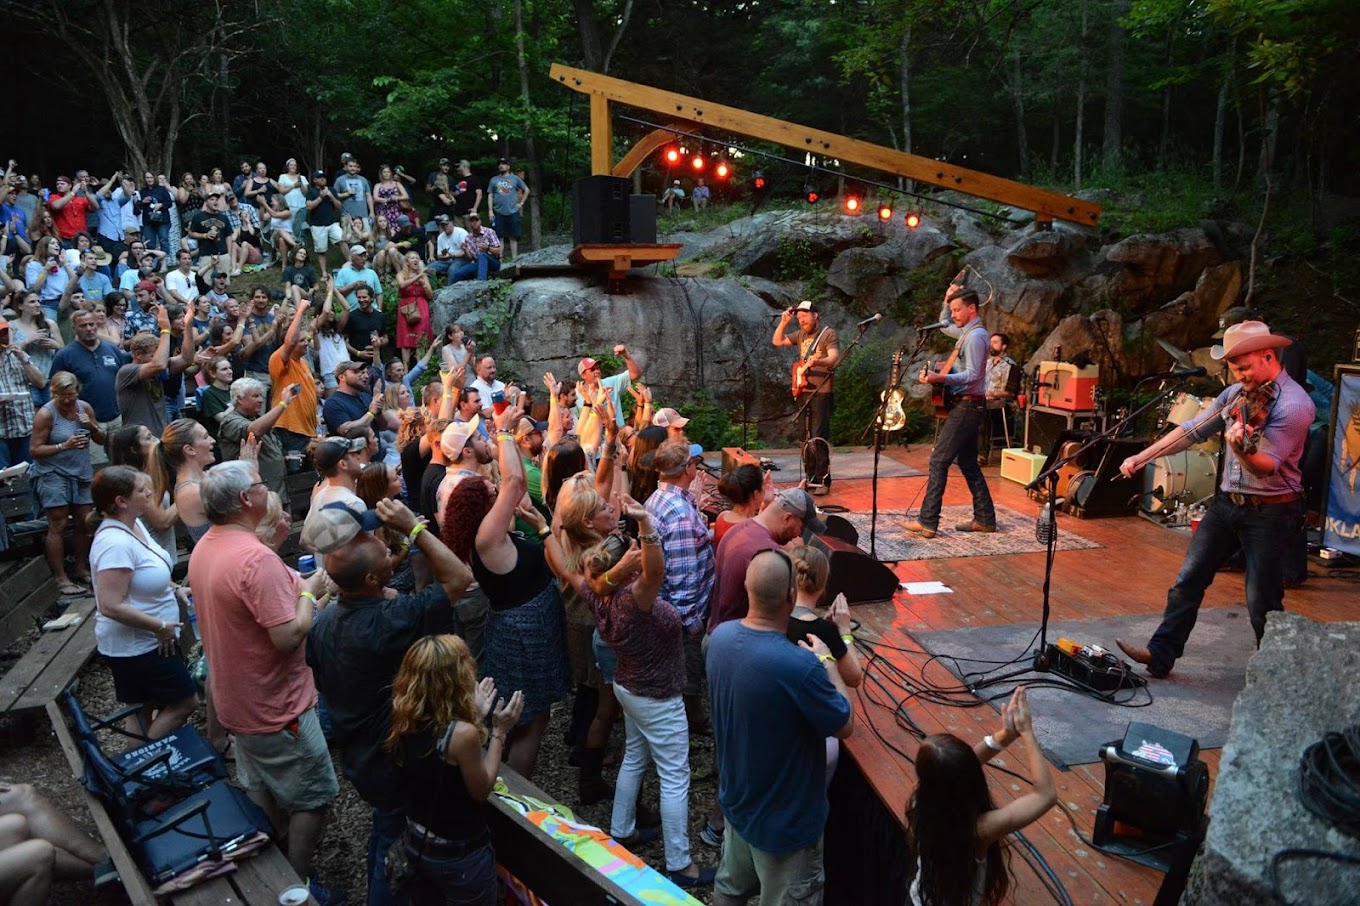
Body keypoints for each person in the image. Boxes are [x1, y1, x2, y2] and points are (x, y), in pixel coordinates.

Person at [1115, 321, 1314, 678]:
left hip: (1272, 510)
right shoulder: (1234, 394)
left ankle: (1277, 675)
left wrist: (1239, 448)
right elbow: (1191, 430)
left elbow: (1265, 467)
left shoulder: (1296, 405)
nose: (1239, 377)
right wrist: (1141, 457)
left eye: (1245, 368)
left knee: (1262, 601)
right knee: (1188, 580)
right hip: (1226, 505)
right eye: (1234, 369)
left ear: (1268, 356)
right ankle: (1160, 654)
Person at [306, 499, 473, 905]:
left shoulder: (324, 620)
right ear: (370, 579)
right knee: (393, 840)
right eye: (382, 550)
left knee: (387, 828)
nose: (386, 547)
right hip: (394, 760)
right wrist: (415, 531)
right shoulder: (389, 621)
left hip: (361, 754)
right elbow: (460, 577)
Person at [187, 461, 340, 900]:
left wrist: (309, 588)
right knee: (316, 795)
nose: (264, 488)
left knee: (260, 785)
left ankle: (267, 863)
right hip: (277, 706)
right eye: (258, 485)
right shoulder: (256, 559)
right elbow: (288, 638)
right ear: (244, 500)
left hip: (237, 700)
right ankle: (293, 884)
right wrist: (311, 593)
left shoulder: (206, 547)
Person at [547, 496, 717, 888]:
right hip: (656, 695)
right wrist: (645, 523)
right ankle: (680, 863)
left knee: (635, 756)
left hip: (626, 686)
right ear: (624, 570)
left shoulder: (592, 590)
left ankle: (622, 830)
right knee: (675, 775)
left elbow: (561, 558)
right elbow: (655, 569)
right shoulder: (632, 600)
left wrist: (544, 530)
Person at [706, 548, 854, 906]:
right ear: (791, 596)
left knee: (728, 891)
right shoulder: (800, 668)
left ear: (747, 587)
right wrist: (827, 661)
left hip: (739, 806)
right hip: (786, 827)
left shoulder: (719, 639)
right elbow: (845, 724)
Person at [440, 403, 570, 778]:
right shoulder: (487, 538)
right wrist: (502, 431)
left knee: (518, 715)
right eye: (491, 492)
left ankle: (502, 778)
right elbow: (513, 483)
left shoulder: (490, 536)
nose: (499, 492)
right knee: (532, 718)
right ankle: (516, 799)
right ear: (484, 508)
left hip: (522, 625)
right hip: (524, 632)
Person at [385, 635, 522, 906]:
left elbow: (439, 762)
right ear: (456, 679)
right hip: (459, 856)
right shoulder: (463, 735)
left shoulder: (404, 712)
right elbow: (481, 791)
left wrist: (473, 716)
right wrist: (498, 733)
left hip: (417, 842)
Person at [908, 688, 1055, 906]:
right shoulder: (979, 830)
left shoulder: (921, 797)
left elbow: (953, 771)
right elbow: (1046, 795)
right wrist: (1027, 733)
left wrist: (1005, 736)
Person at [88, 466, 197, 740]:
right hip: (139, 645)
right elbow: (109, 605)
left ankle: (140, 768)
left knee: (142, 707)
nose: (150, 492)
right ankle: (147, 762)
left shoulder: (133, 524)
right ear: (120, 501)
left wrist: (174, 590)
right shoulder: (114, 544)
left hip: (149, 640)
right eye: (141, 490)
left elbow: (147, 571)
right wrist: (159, 625)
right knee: (185, 701)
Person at [904, 287, 997, 537]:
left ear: (972, 309)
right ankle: (985, 519)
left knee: (939, 460)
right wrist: (946, 300)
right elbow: (946, 326)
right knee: (968, 463)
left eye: (958, 309)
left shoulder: (976, 337)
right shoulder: (967, 332)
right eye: (953, 309)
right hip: (968, 404)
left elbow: (974, 375)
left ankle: (928, 521)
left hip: (968, 405)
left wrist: (941, 377)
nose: (953, 314)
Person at [645, 440, 716, 733]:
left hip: (665, 607)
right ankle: (690, 719)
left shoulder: (658, 498)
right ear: (687, 469)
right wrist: (693, 623)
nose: (697, 468)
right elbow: (683, 574)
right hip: (684, 616)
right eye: (694, 463)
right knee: (688, 670)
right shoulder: (679, 514)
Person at [788, 544, 863, 785]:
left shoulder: (774, 619)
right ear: (822, 587)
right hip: (818, 738)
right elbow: (853, 677)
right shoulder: (824, 632)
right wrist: (844, 630)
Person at [708, 488, 824, 633]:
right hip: (740, 643)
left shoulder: (739, 528)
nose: (800, 534)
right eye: (801, 528)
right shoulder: (768, 554)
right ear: (787, 518)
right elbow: (778, 615)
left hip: (720, 635)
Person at [29, 372, 101, 595]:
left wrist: (92, 426)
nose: (69, 400)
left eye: (72, 394)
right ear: (55, 393)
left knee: (84, 522)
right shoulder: (46, 414)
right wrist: (63, 446)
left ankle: (81, 568)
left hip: (80, 472)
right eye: (64, 396)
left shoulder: (84, 408)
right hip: (53, 472)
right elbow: (34, 450)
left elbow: (100, 438)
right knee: (58, 524)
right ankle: (61, 578)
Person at [773, 300, 839, 495]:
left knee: (818, 435)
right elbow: (777, 341)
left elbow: (834, 358)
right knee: (804, 436)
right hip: (803, 391)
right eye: (799, 317)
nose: (801, 320)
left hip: (821, 391)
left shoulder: (828, 334)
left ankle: (823, 480)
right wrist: (784, 322)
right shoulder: (800, 335)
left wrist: (818, 360)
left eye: (805, 316)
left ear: (815, 315)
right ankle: (810, 478)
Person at [0, 317, 46, 468]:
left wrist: (23, 360)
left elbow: (40, 382)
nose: (3, 337)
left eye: (5, 332)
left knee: (26, 477)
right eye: (0, 334)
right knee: (3, 480)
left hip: (23, 426)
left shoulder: (18, 355)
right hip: (1, 431)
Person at [162, 419, 217, 544]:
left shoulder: (202, 479)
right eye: (205, 437)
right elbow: (242, 519)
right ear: (189, 449)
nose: (212, 440)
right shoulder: (192, 492)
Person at [978, 332, 1019, 465]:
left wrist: (994, 394)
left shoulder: (1011, 365)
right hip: (984, 398)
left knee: (982, 411)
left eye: (995, 342)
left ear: (1003, 346)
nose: (991, 345)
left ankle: (981, 454)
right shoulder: (987, 362)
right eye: (991, 342)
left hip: (1001, 403)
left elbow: (1011, 393)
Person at [713, 464, 771, 547]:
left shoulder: (722, 516)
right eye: (763, 487)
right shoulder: (753, 530)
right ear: (756, 494)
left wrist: (765, 504)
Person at [485, 158, 528, 261]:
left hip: (513, 211)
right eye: (499, 164)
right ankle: (500, 259)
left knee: (513, 236)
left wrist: (521, 203)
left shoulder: (515, 179)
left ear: (508, 166)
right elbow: (490, 195)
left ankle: (514, 259)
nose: (501, 166)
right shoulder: (494, 180)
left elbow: (526, 189)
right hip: (498, 212)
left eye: (504, 164)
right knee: (499, 237)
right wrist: (490, 210)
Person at [395, 252, 434, 366]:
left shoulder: (423, 276)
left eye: (417, 258)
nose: (415, 259)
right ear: (407, 262)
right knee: (405, 339)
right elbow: (402, 285)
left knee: (421, 337)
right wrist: (418, 276)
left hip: (421, 306)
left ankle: (420, 368)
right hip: (406, 307)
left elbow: (430, 295)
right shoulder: (401, 274)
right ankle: (405, 369)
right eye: (412, 258)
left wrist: (424, 285)